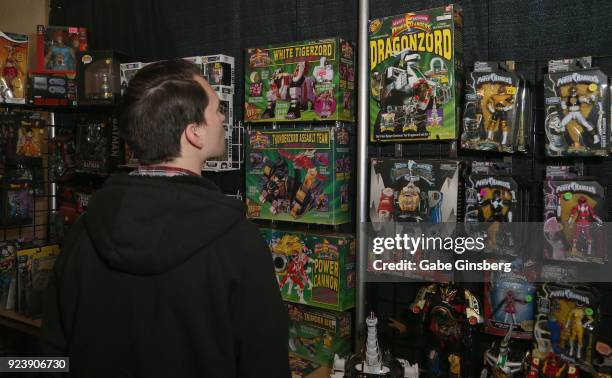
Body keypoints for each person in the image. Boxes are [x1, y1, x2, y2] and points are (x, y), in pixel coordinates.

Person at [41, 59, 290, 378]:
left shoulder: (81, 234)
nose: (223, 117)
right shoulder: (240, 245)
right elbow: (266, 367)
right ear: (194, 133)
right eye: (216, 109)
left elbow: (50, 359)